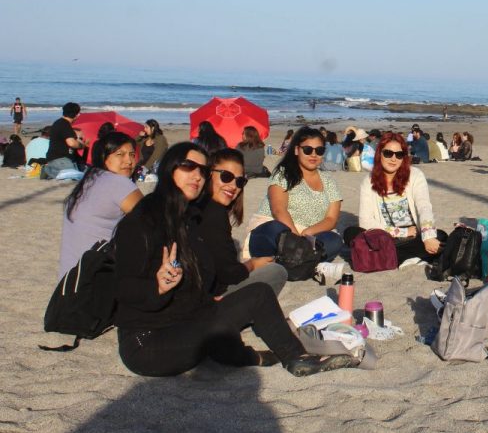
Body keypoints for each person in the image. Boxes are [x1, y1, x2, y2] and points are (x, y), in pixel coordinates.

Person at [113, 142, 355, 377]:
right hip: (149, 344)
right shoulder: (142, 222)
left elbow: (201, 282)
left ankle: (289, 357)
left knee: (258, 294)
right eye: (188, 166)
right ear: (169, 169)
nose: (197, 176)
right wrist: (157, 286)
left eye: (202, 170)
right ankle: (268, 357)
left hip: (186, 324)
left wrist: (207, 300)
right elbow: (122, 291)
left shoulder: (187, 219)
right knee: (218, 322)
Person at [196, 148, 287, 297]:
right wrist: (253, 264)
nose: (233, 186)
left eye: (240, 181)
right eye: (226, 177)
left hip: (200, 291)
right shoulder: (214, 213)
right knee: (276, 271)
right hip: (208, 298)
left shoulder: (199, 206)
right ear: (209, 173)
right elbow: (229, 274)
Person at [343, 132, 446, 263]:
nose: (393, 159)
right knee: (350, 233)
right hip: (386, 237)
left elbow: (424, 207)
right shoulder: (368, 181)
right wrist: (402, 232)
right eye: (388, 153)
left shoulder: (415, 175)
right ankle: (403, 256)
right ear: (379, 154)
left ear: (404, 157)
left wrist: (428, 237)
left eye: (399, 154)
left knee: (440, 236)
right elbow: (365, 221)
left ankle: (384, 256)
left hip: (414, 235)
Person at [244, 127, 343, 261]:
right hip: (281, 231)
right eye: (307, 150)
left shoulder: (328, 180)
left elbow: (331, 219)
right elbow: (279, 210)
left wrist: (307, 233)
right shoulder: (283, 173)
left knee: (335, 240)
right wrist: (295, 239)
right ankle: (302, 260)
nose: (313, 155)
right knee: (274, 229)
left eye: (319, 151)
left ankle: (295, 261)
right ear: (297, 150)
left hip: (309, 235)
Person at [59, 132, 143, 278]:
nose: (129, 161)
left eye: (131, 154)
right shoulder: (118, 183)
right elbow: (152, 220)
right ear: (104, 157)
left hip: (68, 281)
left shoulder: (89, 179)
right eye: (120, 154)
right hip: (94, 278)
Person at [44, 102, 88, 179]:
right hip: (60, 158)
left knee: (81, 173)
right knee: (74, 176)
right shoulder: (64, 124)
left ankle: (51, 171)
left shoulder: (60, 123)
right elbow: (71, 143)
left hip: (59, 158)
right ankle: (49, 171)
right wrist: (82, 145)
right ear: (77, 115)